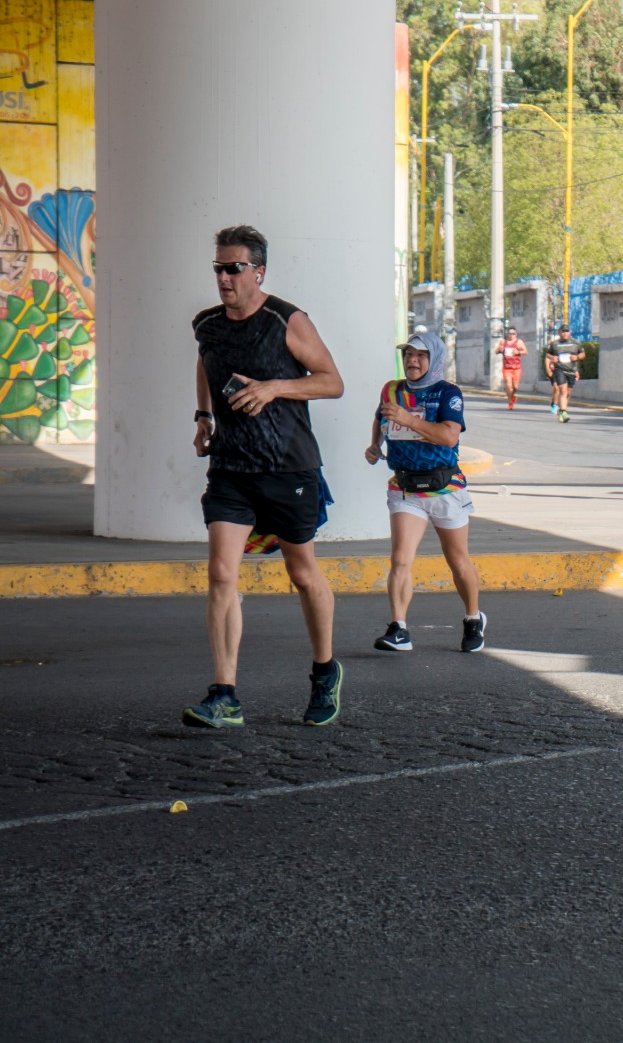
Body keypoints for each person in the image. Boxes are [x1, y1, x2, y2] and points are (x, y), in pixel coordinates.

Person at [186, 223, 346, 730]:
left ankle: (324, 671)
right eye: (218, 268)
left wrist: (275, 388)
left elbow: (332, 382)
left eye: (234, 268)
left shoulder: (286, 320)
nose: (224, 278)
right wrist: (204, 417)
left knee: (302, 574)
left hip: (288, 466)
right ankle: (225, 694)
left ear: (258, 271)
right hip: (231, 467)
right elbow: (205, 364)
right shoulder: (207, 323)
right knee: (220, 573)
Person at [365, 330, 487, 654]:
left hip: (445, 488)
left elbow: (448, 437)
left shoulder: (448, 393)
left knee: (458, 560)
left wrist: (409, 419)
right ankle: (399, 628)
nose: (412, 361)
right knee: (400, 559)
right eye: (408, 354)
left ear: (433, 359)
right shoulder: (392, 390)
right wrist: (375, 445)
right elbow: (381, 417)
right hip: (405, 488)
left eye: (420, 355)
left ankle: (473, 618)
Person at [544, 323, 582, 423]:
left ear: (570, 332)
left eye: (567, 331)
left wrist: (577, 357)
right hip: (559, 370)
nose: (565, 333)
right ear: (559, 333)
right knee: (563, 390)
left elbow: (582, 353)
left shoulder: (575, 343)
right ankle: (563, 412)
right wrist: (553, 358)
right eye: (563, 331)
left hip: (571, 370)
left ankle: (562, 410)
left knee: (568, 393)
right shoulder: (555, 344)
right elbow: (548, 354)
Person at [498, 325, 528, 410]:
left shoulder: (519, 342)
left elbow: (525, 351)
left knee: (515, 387)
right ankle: (510, 401)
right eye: (510, 333)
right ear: (507, 334)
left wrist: (518, 352)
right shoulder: (503, 342)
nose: (511, 335)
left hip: (516, 368)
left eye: (513, 334)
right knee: (508, 384)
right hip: (507, 367)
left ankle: (512, 395)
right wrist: (500, 350)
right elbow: (497, 351)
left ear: (516, 334)